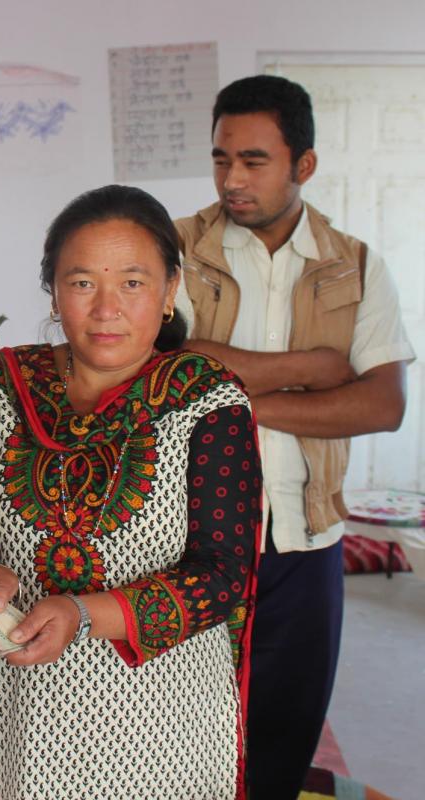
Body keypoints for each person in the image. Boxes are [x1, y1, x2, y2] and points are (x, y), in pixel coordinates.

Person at [0, 184, 263, 800]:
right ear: (53, 292)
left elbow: (223, 575)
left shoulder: (205, 398)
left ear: (169, 290)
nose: (106, 308)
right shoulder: (3, 387)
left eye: (132, 283)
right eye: (82, 283)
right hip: (14, 712)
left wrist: (83, 613)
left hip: (159, 721)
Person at [175, 75, 415, 799]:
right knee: (179, 740)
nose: (231, 178)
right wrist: (309, 371)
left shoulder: (356, 265)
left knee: (281, 739)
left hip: (306, 542)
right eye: (220, 159)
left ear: (301, 166)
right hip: (189, 535)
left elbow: (380, 405)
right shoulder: (172, 250)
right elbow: (167, 375)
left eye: (252, 160)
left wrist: (231, 391)